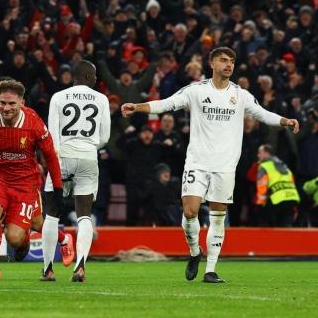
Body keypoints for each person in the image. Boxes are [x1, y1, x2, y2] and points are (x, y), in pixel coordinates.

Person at [121, 47, 300, 283]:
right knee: (190, 211)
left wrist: (285, 120)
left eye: (232, 62)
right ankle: (195, 252)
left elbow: (261, 113)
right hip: (197, 161)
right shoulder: (196, 90)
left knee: (217, 217)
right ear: (212, 64)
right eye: (223, 61)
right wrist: (138, 107)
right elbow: (168, 103)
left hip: (225, 164)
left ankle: (211, 270)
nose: (228, 65)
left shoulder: (241, 95)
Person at [0, 79, 65, 289]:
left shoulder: (34, 123)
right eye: (2, 103)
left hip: (25, 183)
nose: (6, 108)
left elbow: (50, 156)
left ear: (22, 103)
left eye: (12, 104)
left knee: (14, 237)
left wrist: (58, 188)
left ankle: (24, 243)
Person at [41, 60, 111, 282]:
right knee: (84, 214)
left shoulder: (58, 97)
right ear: (89, 78)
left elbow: (52, 133)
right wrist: (89, 147)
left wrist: (61, 155)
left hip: (61, 157)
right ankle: (80, 266)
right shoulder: (101, 99)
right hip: (88, 157)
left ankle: (48, 269)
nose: (97, 79)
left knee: (52, 214)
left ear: (73, 77)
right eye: (95, 75)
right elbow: (105, 137)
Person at [255, 144, 300, 227]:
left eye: (259, 153)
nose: (258, 155)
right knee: (286, 227)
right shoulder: (284, 166)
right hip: (292, 198)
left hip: (277, 200)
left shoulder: (264, 166)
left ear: (266, 153)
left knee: (266, 222)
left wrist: (260, 205)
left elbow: (262, 188)